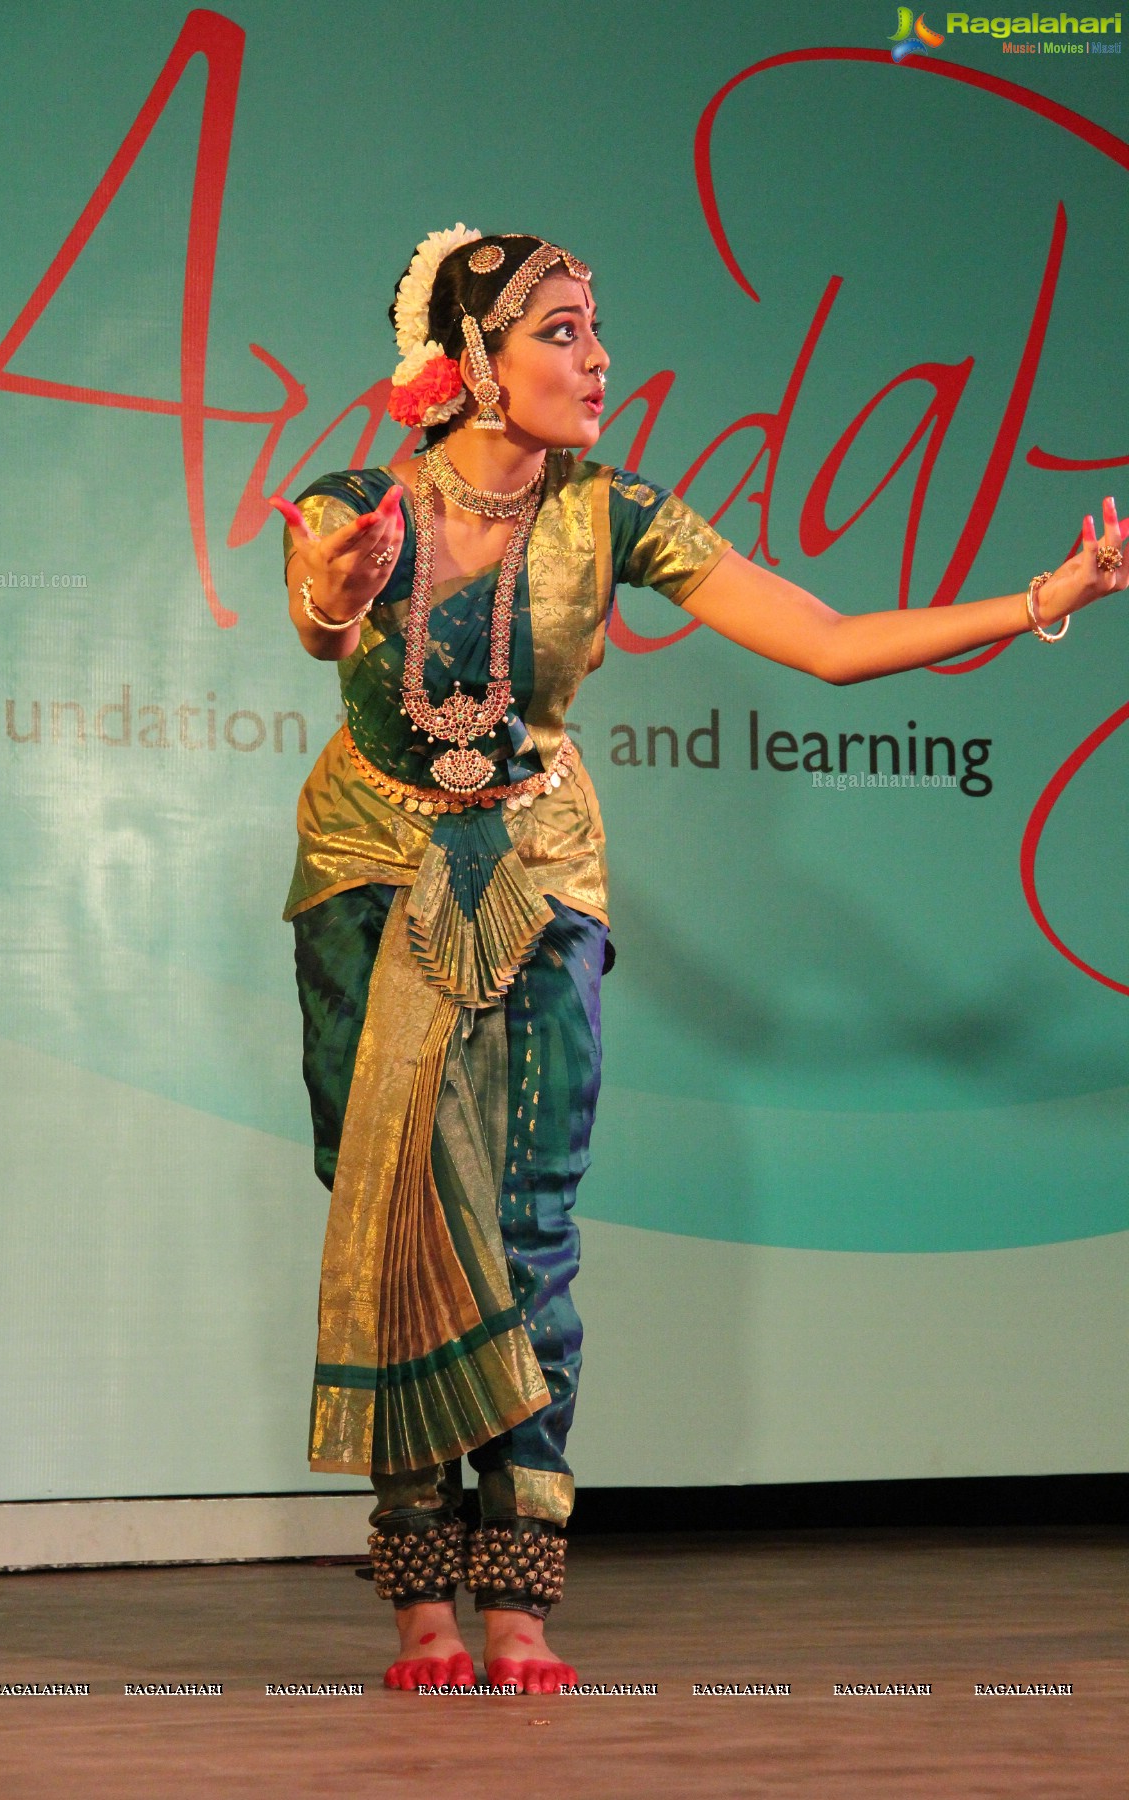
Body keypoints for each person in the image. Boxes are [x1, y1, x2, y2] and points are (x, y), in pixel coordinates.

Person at [274, 226, 1126, 1696]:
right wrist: (336, 587)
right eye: (557, 330)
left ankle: (521, 1588)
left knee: (532, 1222)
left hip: (540, 875)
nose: (596, 356)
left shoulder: (612, 513)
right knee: (403, 1216)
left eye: (596, 327)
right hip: (371, 878)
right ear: (473, 358)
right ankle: (419, 1584)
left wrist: (1050, 597)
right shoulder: (361, 502)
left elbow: (830, 639)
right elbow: (320, 612)